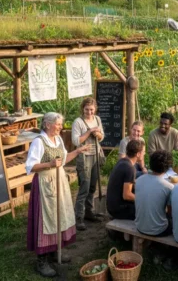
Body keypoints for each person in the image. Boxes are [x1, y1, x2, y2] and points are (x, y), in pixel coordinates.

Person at [26, 112, 89, 277]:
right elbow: (30, 166)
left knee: (58, 217)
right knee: (46, 220)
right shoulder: (39, 142)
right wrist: (50, 164)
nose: (61, 127)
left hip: (59, 183)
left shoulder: (59, 139)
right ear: (47, 124)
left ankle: (54, 251)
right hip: (45, 185)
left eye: (61, 124)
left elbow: (63, 159)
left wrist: (78, 151)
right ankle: (42, 261)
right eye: (58, 124)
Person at [71, 97, 104, 231]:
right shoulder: (78, 122)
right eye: (87, 110)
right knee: (84, 186)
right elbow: (76, 141)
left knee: (92, 186)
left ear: (95, 109)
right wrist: (89, 131)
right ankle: (79, 217)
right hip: (84, 157)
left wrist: (98, 134)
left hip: (96, 155)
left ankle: (89, 212)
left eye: (91, 110)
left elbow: (102, 137)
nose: (89, 112)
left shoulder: (97, 119)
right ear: (82, 109)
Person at [135, 150, 174, 236]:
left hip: (139, 226)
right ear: (167, 168)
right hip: (159, 230)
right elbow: (170, 213)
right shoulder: (168, 187)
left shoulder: (138, 180)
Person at [106, 139, 145, 220]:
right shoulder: (130, 168)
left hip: (112, 206)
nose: (144, 154)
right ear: (138, 154)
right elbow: (126, 195)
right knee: (147, 210)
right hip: (118, 210)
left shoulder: (122, 162)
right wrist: (142, 199)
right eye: (143, 152)